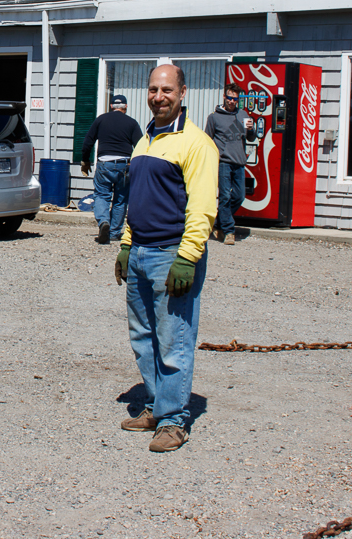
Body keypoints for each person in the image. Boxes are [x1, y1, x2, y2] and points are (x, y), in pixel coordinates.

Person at [115, 64, 218, 453]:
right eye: (154, 89)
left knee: (174, 340)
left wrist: (187, 258)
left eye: (167, 90)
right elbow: (135, 202)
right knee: (143, 338)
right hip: (140, 252)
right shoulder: (144, 142)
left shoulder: (196, 144)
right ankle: (157, 407)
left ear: (183, 92)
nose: (159, 97)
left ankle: (175, 420)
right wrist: (126, 246)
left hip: (171, 255)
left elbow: (203, 208)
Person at [80, 94, 143, 245]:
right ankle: (114, 233)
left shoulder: (101, 120)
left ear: (111, 106)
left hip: (104, 163)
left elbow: (88, 141)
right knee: (120, 199)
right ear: (125, 107)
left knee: (102, 195)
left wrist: (85, 161)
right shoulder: (132, 123)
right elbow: (141, 146)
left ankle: (103, 222)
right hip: (124, 165)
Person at [203, 82, 254, 245]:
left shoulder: (243, 115)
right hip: (223, 161)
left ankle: (218, 222)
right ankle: (229, 231)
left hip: (239, 162)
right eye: (230, 98)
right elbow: (207, 140)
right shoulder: (214, 117)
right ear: (224, 97)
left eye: (235, 99)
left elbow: (251, 138)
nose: (232, 102)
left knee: (239, 196)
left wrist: (252, 129)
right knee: (224, 196)